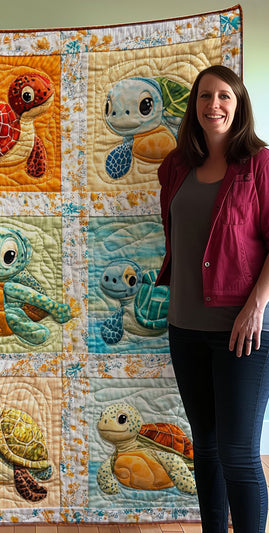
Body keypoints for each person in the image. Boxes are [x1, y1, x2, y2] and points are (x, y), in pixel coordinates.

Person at [156, 64, 269, 532]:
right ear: (194, 105)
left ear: (239, 105)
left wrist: (255, 307)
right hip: (184, 327)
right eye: (205, 96)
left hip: (243, 330)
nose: (214, 105)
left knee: (238, 453)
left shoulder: (260, 163)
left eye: (224, 96)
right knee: (204, 446)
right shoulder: (175, 166)